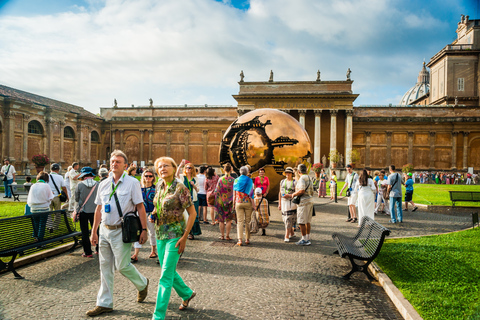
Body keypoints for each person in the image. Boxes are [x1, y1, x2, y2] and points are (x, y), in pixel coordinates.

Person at [86, 150, 149, 317]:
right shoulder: (103, 184)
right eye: (112, 161)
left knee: (122, 266)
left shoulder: (132, 183)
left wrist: (144, 230)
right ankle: (105, 303)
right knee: (104, 267)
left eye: (118, 162)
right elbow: (98, 209)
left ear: (125, 165)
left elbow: (140, 207)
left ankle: (142, 284)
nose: (114, 164)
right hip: (105, 230)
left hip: (122, 231)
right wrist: (94, 232)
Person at [151, 157, 197, 319]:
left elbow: (193, 213)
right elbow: (159, 206)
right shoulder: (160, 186)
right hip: (160, 235)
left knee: (165, 276)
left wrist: (185, 236)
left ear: (174, 168)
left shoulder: (180, 188)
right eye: (160, 166)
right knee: (168, 270)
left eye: (166, 166)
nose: (162, 168)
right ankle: (187, 293)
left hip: (175, 236)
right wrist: (153, 214)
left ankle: (158, 316)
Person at [131, 168, 158, 262]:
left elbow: (157, 203)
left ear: (153, 178)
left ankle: (153, 251)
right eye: (146, 176)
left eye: (150, 176)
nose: (148, 178)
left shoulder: (155, 189)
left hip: (152, 213)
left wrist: (154, 213)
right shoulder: (138, 188)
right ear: (143, 177)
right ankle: (136, 253)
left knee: (152, 233)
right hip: (139, 213)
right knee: (138, 232)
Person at [76, 167, 99, 258]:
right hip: (95, 211)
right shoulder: (98, 184)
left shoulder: (79, 185)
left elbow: (77, 199)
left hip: (83, 211)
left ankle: (87, 252)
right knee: (96, 230)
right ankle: (98, 249)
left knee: (84, 232)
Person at [176, 160, 201, 240]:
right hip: (184, 200)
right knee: (185, 216)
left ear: (192, 169)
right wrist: (180, 166)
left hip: (193, 199)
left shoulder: (195, 178)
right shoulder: (183, 177)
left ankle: (192, 232)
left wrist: (194, 186)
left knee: (194, 216)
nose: (188, 169)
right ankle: (186, 232)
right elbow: (176, 176)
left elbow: (198, 190)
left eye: (190, 168)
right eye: (186, 168)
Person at [26, 171, 54, 241]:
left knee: (36, 224)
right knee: (42, 225)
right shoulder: (46, 186)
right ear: (46, 179)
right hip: (43, 208)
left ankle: (35, 237)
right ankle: (40, 240)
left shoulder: (33, 186)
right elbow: (50, 197)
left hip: (34, 209)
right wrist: (52, 193)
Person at [291, 164, 314, 246]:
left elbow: (302, 190)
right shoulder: (309, 178)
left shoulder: (302, 179)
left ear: (298, 171)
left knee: (301, 221)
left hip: (303, 202)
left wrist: (294, 194)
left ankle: (304, 239)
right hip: (310, 201)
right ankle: (307, 238)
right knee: (307, 221)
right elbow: (312, 191)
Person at [233, 166, 254, 246]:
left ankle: (240, 240)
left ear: (240, 172)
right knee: (248, 222)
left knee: (240, 222)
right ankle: (247, 239)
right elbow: (251, 194)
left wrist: (233, 204)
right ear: (247, 172)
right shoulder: (250, 180)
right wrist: (254, 206)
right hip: (247, 202)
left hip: (238, 202)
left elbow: (234, 194)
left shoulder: (236, 180)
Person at [214, 163, 235, 240]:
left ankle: (222, 235)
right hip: (230, 202)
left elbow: (216, 190)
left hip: (220, 202)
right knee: (229, 220)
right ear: (231, 170)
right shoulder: (233, 180)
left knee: (221, 220)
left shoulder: (220, 179)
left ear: (224, 169)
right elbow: (235, 191)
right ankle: (227, 236)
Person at [47, 163, 69, 232]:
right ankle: (55, 226)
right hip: (57, 197)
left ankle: (49, 226)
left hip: (48, 196)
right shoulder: (60, 177)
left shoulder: (46, 176)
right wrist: (67, 196)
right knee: (57, 213)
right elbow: (64, 188)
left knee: (48, 212)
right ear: (58, 170)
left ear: (51, 169)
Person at [278, 167, 297, 242]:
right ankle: (291, 233)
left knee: (288, 218)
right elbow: (279, 192)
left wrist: (289, 195)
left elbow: (297, 193)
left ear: (292, 174)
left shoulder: (295, 182)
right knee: (285, 218)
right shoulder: (282, 181)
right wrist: (279, 203)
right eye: (286, 172)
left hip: (291, 203)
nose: (287, 174)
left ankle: (286, 236)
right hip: (283, 202)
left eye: (289, 172)